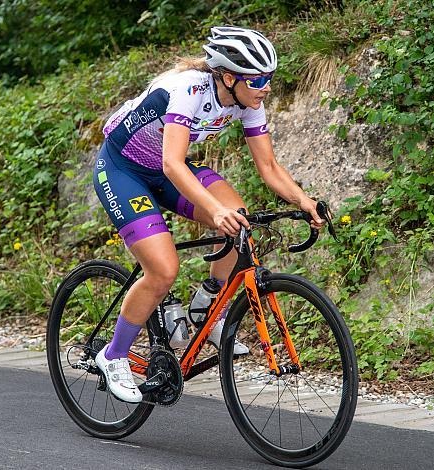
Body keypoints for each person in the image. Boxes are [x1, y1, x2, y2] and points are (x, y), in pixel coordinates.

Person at [92, 26, 325, 403]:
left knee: (239, 219)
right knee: (164, 269)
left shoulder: (247, 99)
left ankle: (208, 307)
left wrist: (303, 200)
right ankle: (113, 355)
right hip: (123, 170)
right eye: (259, 80)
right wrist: (214, 212)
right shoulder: (188, 90)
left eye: (270, 79)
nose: (266, 87)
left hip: (169, 167)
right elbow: (171, 164)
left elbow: (268, 166)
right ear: (229, 78)